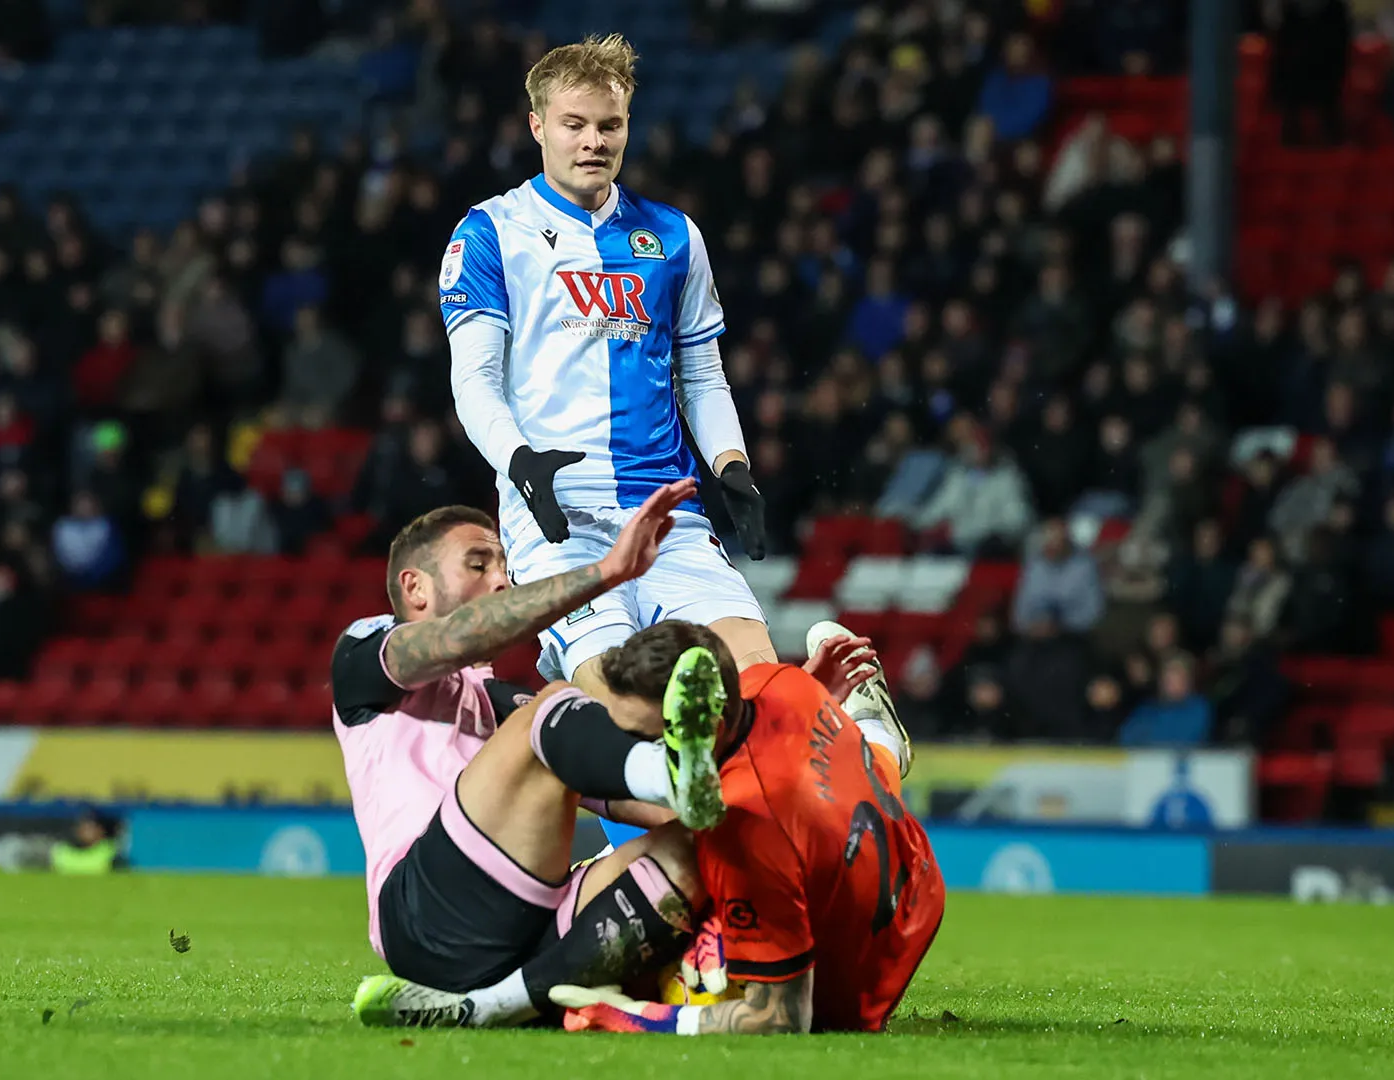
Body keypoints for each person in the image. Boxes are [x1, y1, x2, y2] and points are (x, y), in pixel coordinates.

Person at [437, 37, 905, 764]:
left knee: (756, 685)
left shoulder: (674, 235)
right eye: (575, 124)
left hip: (670, 513)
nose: (594, 141)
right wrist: (521, 462)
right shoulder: (490, 233)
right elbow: (474, 380)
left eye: (611, 125)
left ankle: (871, 742)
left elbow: (702, 371)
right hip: (561, 521)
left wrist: (731, 467)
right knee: (623, 716)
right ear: (537, 127)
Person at [334, 481, 732, 1025]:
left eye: (502, 564)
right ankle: (667, 771)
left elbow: (622, 798)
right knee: (555, 704)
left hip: (519, 931)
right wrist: (608, 572)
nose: (502, 579)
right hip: (425, 919)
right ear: (415, 587)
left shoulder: (501, 707)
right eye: (478, 565)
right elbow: (453, 640)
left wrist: (736, 812)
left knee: (694, 847)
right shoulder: (364, 657)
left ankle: (497, 1007)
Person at [546, 621, 947, 1034]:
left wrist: (630, 1015)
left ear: (698, 724)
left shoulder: (741, 832)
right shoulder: (778, 682)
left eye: (646, 739)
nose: (636, 755)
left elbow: (780, 1017)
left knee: (663, 953)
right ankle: (877, 735)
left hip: (866, 982)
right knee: (838, 779)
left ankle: (880, 737)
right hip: (918, 882)